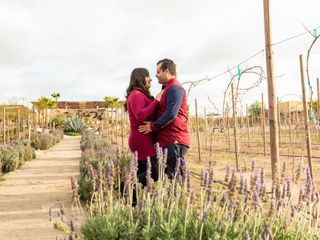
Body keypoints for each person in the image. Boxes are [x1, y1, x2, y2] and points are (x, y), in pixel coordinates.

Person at [138, 59, 189, 179]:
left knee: (176, 175)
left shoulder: (175, 89)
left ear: (167, 71)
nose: (155, 75)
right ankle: (127, 189)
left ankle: (181, 197)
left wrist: (152, 126)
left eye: (158, 71)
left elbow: (171, 113)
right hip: (166, 140)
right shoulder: (167, 88)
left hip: (174, 140)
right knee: (160, 173)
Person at [125, 68, 163, 186]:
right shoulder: (136, 94)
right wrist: (156, 101)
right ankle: (125, 187)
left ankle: (133, 200)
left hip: (143, 139)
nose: (151, 78)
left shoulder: (139, 94)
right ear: (140, 77)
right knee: (155, 173)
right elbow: (140, 115)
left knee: (143, 171)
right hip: (141, 140)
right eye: (147, 75)